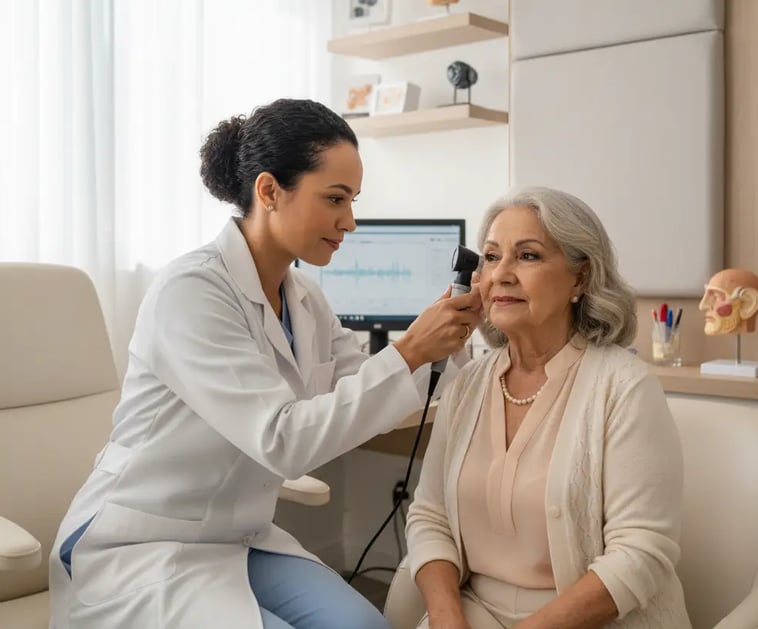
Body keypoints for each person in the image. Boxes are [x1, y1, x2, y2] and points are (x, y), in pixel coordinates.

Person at [48, 98, 482, 629]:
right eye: (335, 199)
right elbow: (283, 440)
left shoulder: (303, 299)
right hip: (140, 542)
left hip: (236, 538)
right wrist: (412, 348)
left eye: (353, 200)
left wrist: (454, 338)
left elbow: (381, 392)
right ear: (270, 191)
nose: (350, 221)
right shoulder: (192, 292)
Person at [405, 186, 691, 628]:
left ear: (580, 278)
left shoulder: (623, 388)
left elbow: (641, 553)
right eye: (492, 257)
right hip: (474, 613)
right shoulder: (466, 386)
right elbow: (430, 516)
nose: (501, 274)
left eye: (529, 256)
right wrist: (447, 619)